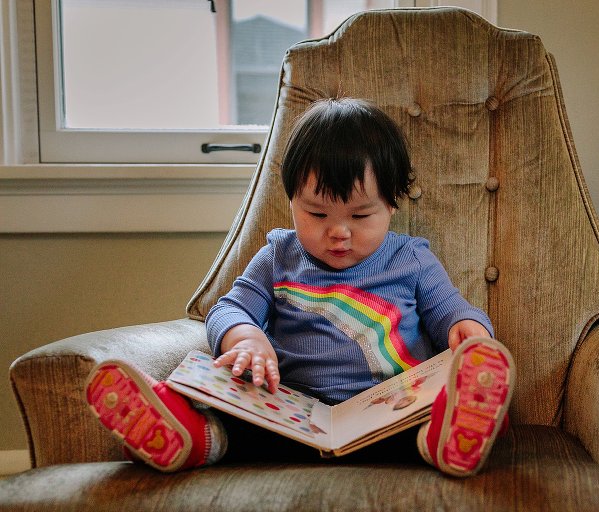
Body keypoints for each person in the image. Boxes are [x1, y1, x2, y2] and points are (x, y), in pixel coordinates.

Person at [85, 98, 515, 478]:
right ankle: (190, 435)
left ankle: (452, 433)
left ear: (392, 203)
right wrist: (247, 337)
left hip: (391, 419)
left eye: (361, 216)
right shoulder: (278, 257)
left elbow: (450, 310)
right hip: (288, 418)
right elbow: (228, 309)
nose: (339, 233)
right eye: (316, 214)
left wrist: (468, 329)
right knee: (230, 415)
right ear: (291, 199)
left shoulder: (412, 260)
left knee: (441, 413)